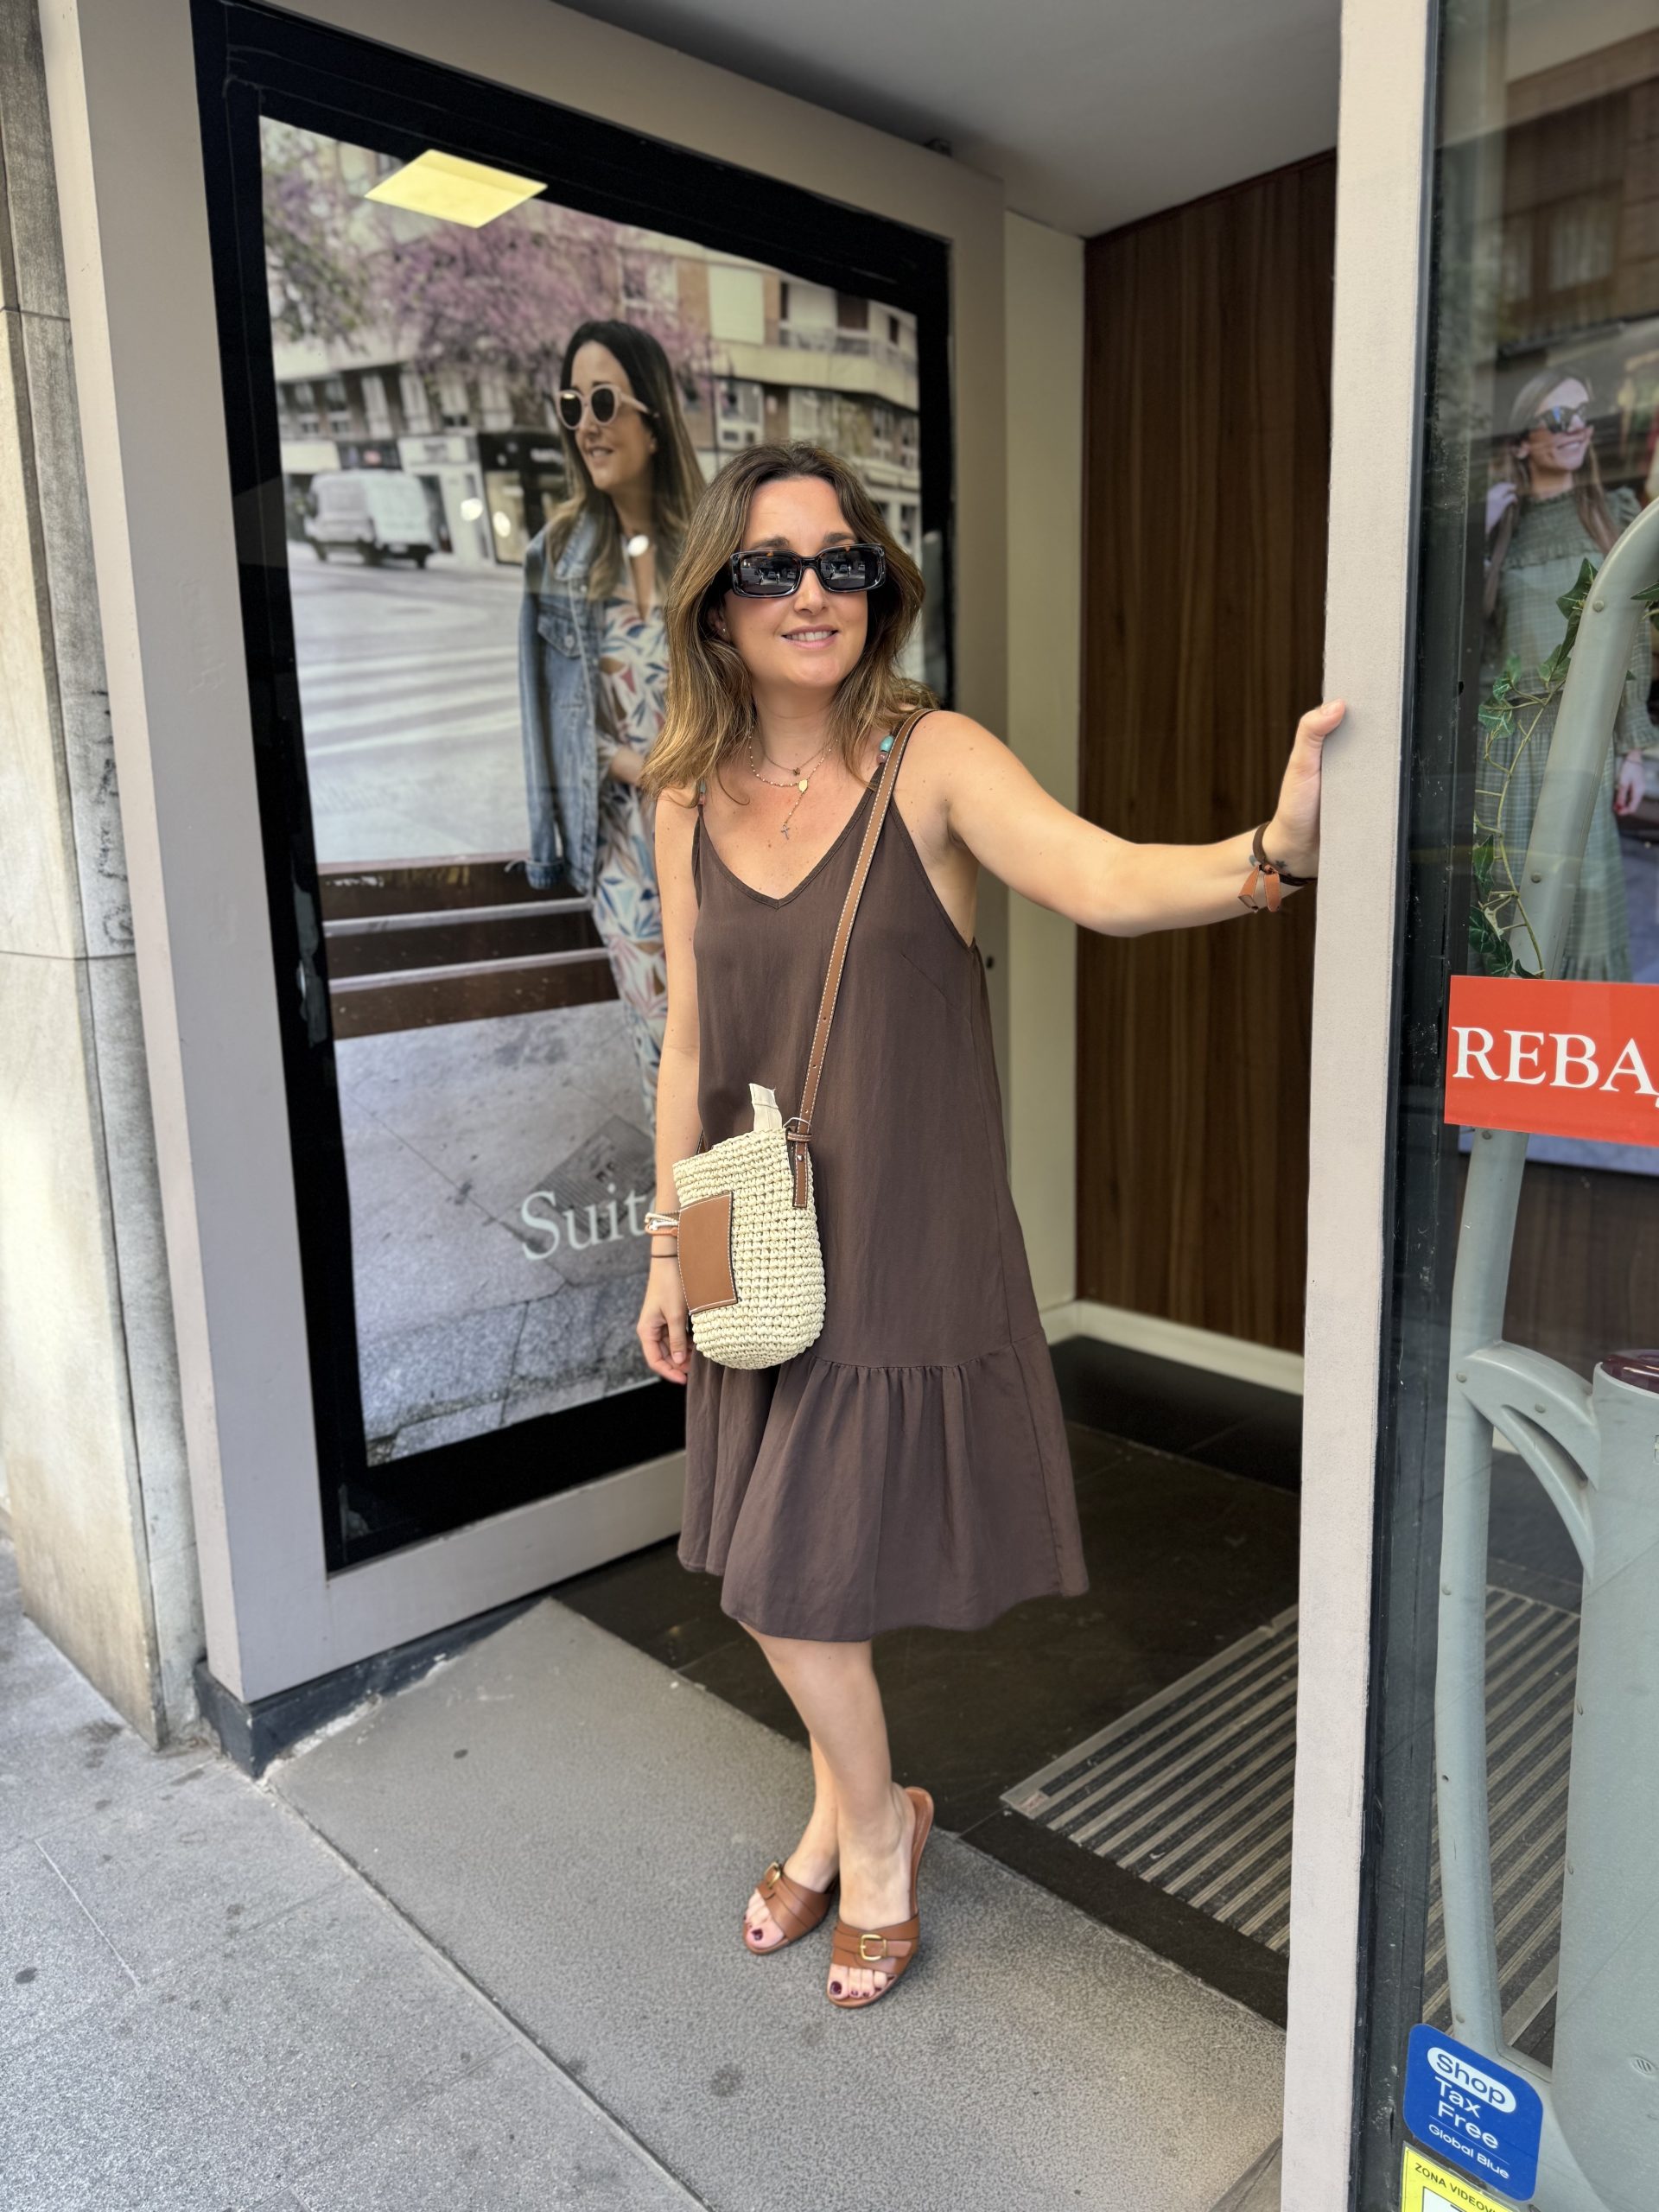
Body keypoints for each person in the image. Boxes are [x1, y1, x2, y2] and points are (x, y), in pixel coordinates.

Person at [633, 441, 1342, 2011]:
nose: (811, 591)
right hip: (751, 1226)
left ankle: (878, 1840)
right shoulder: (685, 800)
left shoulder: (932, 758)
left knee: (784, 1581)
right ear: (716, 602)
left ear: (877, 584)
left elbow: (1101, 880)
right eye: (770, 567)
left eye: (840, 561)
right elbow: (687, 1041)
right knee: (790, 1567)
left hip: (901, 1235)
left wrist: (1270, 858)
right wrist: (668, 1247)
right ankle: (845, 1814)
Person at [518, 320, 706, 1125]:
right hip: (625, 845)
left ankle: (753, 1206)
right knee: (663, 1046)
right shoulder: (556, 555)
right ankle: (680, 1206)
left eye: (603, 402)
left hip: (722, 835)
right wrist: (638, 768)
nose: (586, 425)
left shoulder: (714, 546)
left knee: (740, 1047)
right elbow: (551, 726)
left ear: (653, 420)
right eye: (572, 406)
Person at [1480, 367, 1651, 980]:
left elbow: (1631, 640)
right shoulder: (1502, 524)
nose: (1576, 428)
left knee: (1583, 893)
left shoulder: (1614, 512)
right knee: (1507, 897)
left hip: (1582, 737)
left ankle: (1573, 1023)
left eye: (1583, 415)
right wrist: (1478, 532)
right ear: (1522, 441)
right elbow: (1471, 636)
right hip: (1507, 743)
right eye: (1557, 418)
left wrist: (1633, 748)